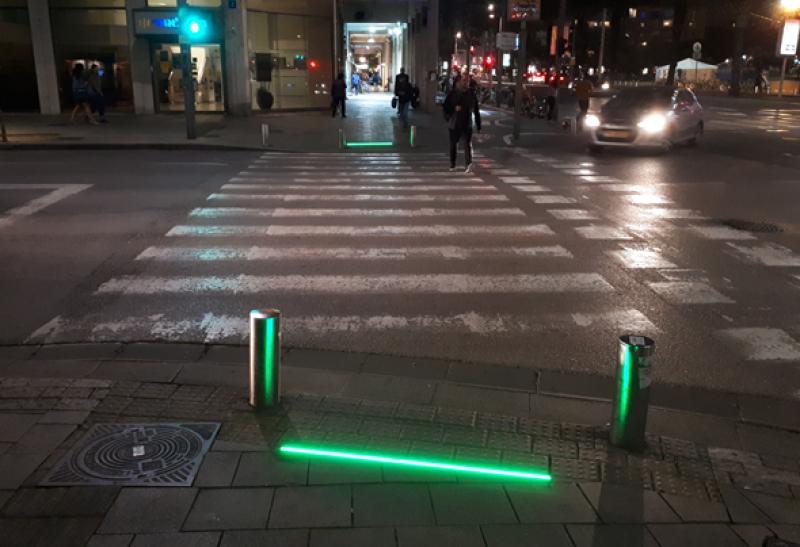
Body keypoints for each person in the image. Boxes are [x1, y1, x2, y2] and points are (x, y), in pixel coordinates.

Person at [443, 73, 481, 173]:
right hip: (454, 123)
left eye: (467, 81)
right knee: (453, 145)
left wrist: (478, 123)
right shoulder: (453, 93)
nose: (465, 83)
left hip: (466, 123)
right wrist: (453, 109)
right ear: (458, 82)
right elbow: (445, 107)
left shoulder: (471, 94)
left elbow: (476, 109)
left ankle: (468, 164)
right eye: (463, 81)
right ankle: (452, 164)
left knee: (467, 144)